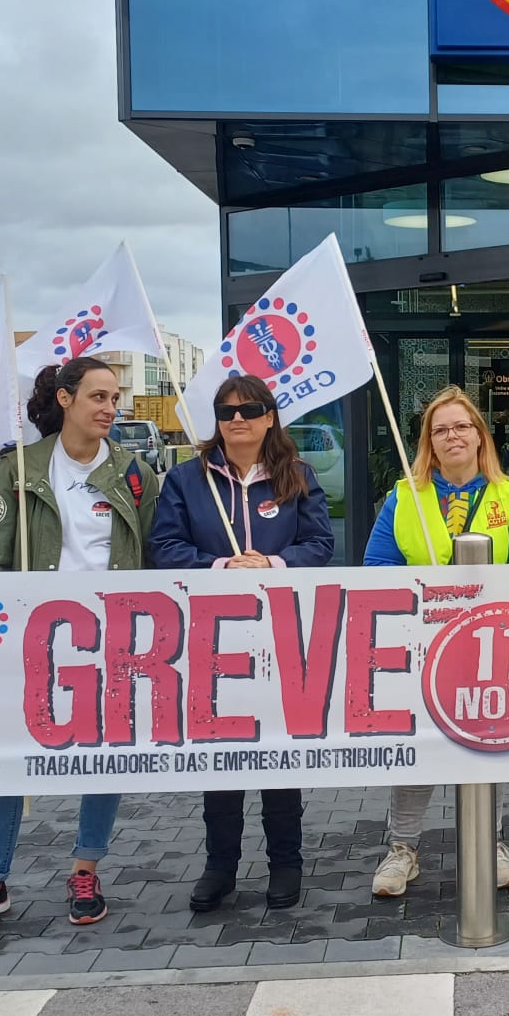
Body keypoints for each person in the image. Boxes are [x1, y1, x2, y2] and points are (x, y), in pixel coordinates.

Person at [0, 356, 160, 933]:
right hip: (31, 640)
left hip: (110, 640)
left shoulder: (134, 472)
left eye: (115, 397)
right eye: (99, 396)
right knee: (7, 756)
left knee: (104, 756)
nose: (110, 408)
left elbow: (153, 555)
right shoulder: (20, 469)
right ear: (66, 400)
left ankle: (85, 869)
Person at [149, 373, 334, 912]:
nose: (238, 420)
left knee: (279, 751)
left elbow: (319, 544)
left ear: (269, 417)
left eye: (250, 410)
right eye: (227, 411)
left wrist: (272, 564)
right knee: (223, 757)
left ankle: (287, 863)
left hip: (281, 635)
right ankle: (220, 865)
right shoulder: (187, 479)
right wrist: (221, 565)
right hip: (211, 639)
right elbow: (164, 546)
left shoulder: (296, 475)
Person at [363, 385, 509, 896]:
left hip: (491, 646)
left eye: (462, 426)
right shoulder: (404, 497)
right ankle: (402, 849)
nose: (452, 436)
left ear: (480, 436)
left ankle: (491, 842)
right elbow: (376, 569)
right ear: (429, 442)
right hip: (421, 647)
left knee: (490, 741)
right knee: (419, 747)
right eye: (440, 429)